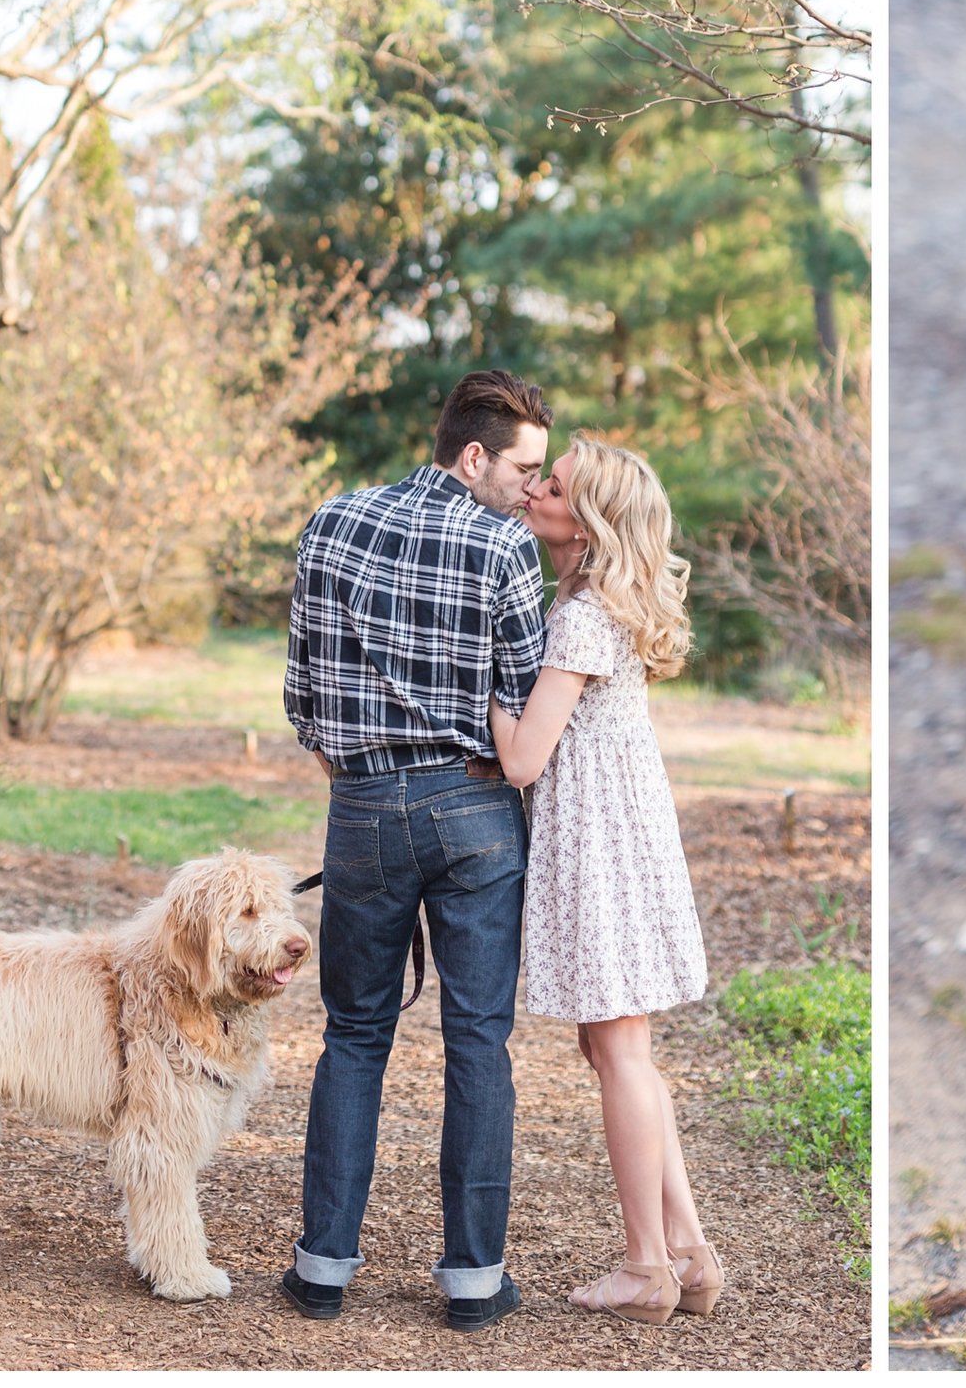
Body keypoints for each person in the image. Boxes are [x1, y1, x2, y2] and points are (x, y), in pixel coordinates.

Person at [278, 369, 552, 1333]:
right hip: (476, 807)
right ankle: (474, 1279)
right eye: (523, 468)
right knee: (479, 1036)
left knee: (354, 1032)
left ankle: (322, 1269)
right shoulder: (505, 544)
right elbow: (524, 705)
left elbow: (304, 696)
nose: (530, 488)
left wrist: (364, 785)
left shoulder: (329, 524)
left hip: (359, 804)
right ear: (473, 456)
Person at [487, 434, 713, 1326]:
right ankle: (688, 1252)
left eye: (555, 484)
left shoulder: (580, 617)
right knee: (620, 1048)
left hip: (600, 847)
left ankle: (644, 1264)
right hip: (628, 836)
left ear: (585, 523)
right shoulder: (602, 603)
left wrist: (487, 698)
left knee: (617, 1051)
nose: (536, 488)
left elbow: (523, 758)